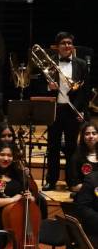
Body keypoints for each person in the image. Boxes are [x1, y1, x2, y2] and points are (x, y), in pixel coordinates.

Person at [42, 32, 90, 191]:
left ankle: (72, 180)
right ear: (57, 46)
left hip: (72, 109)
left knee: (71, 147)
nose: (67, 46)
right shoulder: (49, 64)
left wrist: (80, 110)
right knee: (52, 147)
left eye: (69, 43)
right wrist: (49, 87)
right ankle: (51, 180)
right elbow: (37, 87)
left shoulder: (81, 64)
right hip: (55, 110)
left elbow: (85, 90)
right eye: (63, 43)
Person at [67, 123, 98, 192]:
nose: (91, 136)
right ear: (82, 137)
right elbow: (74, 187)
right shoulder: (76, 158)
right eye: (87, 134)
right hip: (86, 197)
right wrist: (94, 188)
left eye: (94, 133)